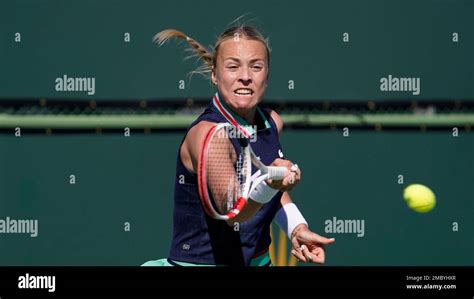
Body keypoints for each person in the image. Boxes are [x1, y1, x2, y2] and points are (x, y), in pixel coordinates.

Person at [142, 25, 335, 266]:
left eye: (256, 66)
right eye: (233, 66)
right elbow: (235, 213)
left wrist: (296, 227)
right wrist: (270, 184)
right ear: (215, 74)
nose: (245, 76)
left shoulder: (272, 122)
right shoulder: (208, 136)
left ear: (267, 74)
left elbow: (273, 191)